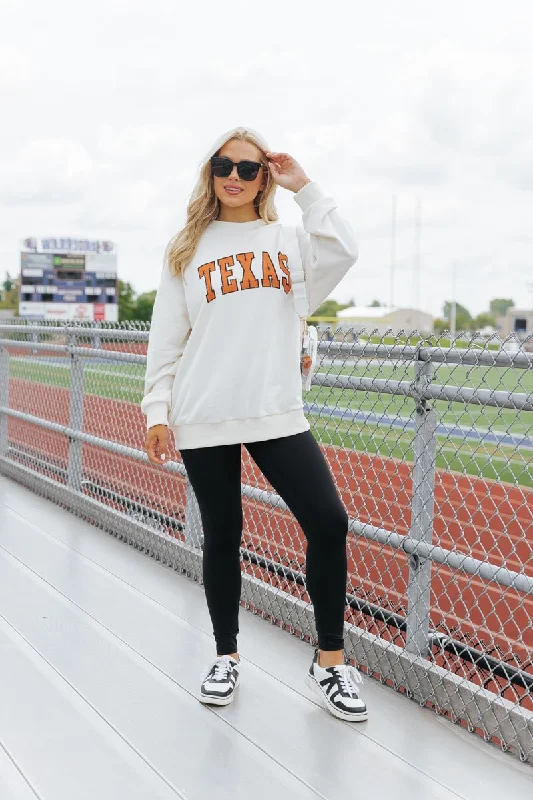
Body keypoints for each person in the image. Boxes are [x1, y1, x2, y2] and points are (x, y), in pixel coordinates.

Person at [141, 126, 367, 723]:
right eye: (224, 167)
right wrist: (156, 410)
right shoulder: (186, 248)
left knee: (328, 520)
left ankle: (330, 662)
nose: (235, 178)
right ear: (209, 173)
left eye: (249, 169)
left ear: (264, 176)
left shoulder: (289, 240)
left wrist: (305, 186)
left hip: (274, 408)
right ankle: (225, 655)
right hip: (204, 410)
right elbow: (166, 336)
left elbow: (345, 248)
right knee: (224, 533)